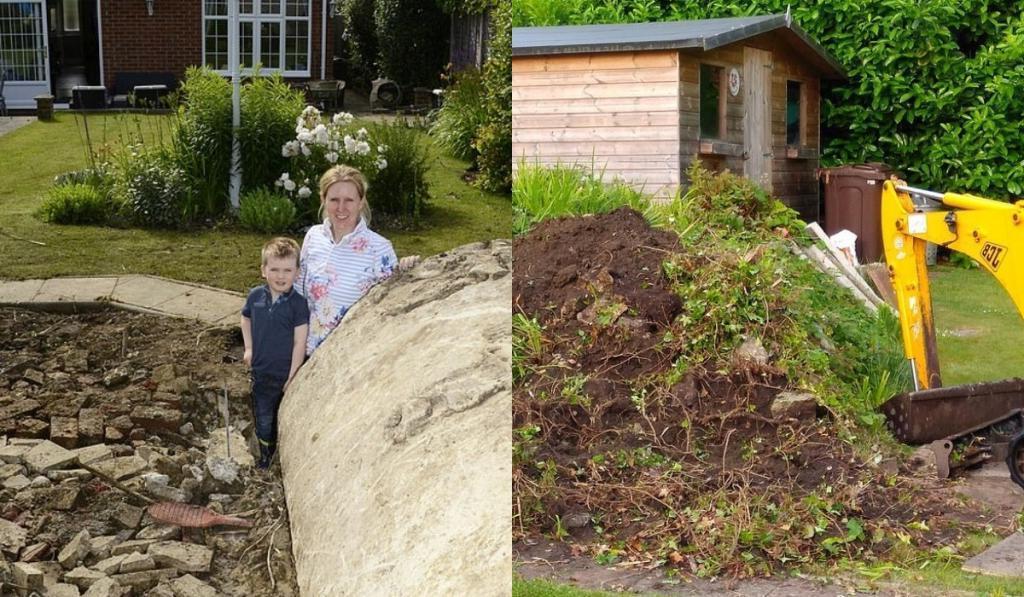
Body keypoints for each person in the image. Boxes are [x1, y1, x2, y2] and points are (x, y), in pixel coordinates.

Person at [298, 165, 399, 355]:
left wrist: (408, 270)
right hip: (304, 352)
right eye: (334, 200)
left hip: (349, 357)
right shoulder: (313, 237)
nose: (341, 208)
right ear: (323, 200)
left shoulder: (379, 249)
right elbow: (297, 291)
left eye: (349, 200)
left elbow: (389, 308)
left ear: (361, 202)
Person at [241, 237, 310, 469]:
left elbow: (300, 341)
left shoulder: (298, 304)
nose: (281, 276)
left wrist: (293, 376)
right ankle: (265, 456)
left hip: (286, 375)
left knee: (287, 418)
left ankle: (287, 457)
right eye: (275, 269)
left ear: (297, 272)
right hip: (261, 373)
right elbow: (245, 318)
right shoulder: (255, 296)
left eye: (288, 270)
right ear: (264, 270)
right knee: (264, 418)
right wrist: (249, 347)